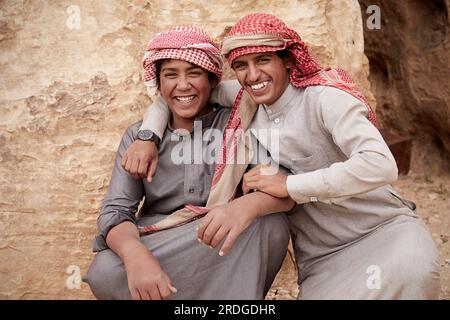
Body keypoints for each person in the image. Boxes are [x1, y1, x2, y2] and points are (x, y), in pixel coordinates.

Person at [123, 14, 440, 299]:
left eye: (263, 60)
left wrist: (290, 185)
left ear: (288, 60)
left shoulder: (325, 98)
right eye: (241, 66)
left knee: (413, 278)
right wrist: (148, 136)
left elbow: (381, 165)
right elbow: (182, 94)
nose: (252, 74)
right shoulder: (247, 98)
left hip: (383, 230)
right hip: (323, 254)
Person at [82, 25, 293, 300]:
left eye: (194, 73)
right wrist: (135, 256)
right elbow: (115, 211)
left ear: (213, 81)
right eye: (171, 75)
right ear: (158, 84)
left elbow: (284, 191)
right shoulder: (138, 137)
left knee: (270, 226)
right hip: (162, 240)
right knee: (105, 270)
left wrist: (242, 207)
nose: (183, 85)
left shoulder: (241, 124)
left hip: (221, 236)